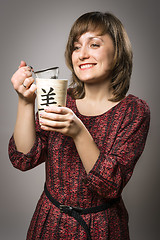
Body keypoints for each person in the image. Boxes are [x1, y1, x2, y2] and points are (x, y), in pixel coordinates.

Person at [8, 11, 150, 240]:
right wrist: (25, 102)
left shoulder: (134, 111)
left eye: (94, 44)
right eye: (76, 47)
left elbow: (109, 186)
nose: (82, 54)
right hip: (49, 222)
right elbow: (24, 159)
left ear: (118, 51)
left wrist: (79, 133)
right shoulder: (62, 97)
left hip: (101, 228)